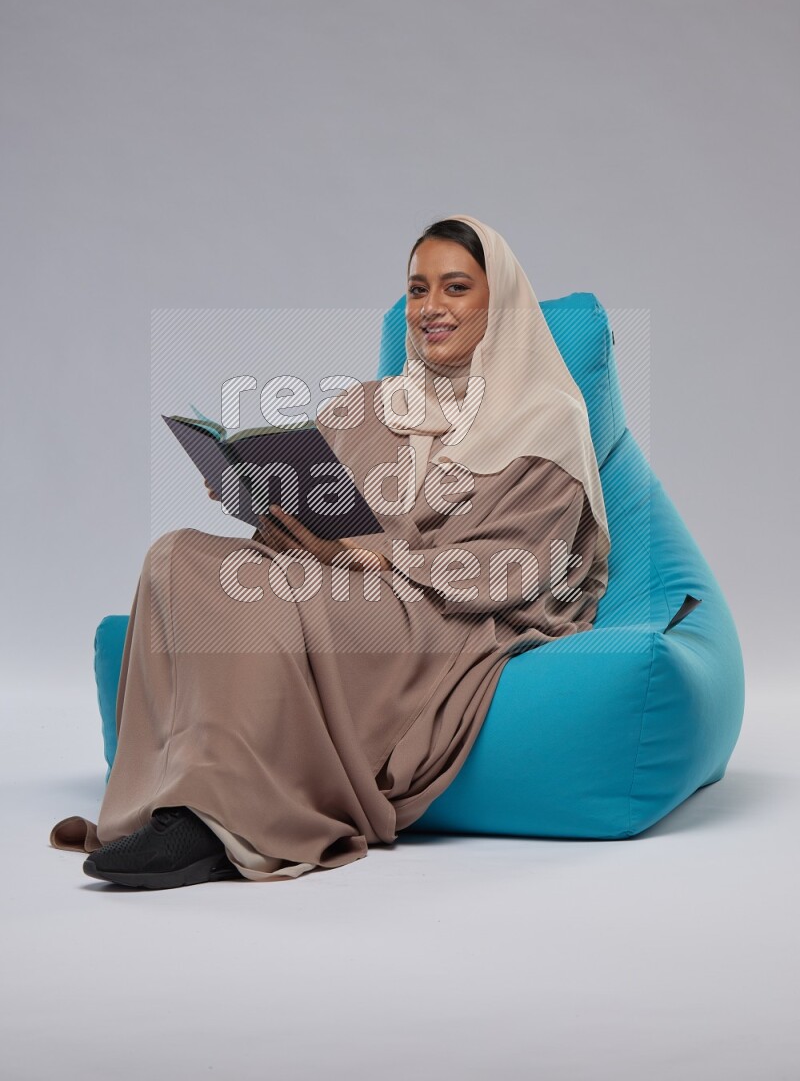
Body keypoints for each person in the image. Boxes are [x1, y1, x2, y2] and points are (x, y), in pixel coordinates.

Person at [49, 214, 611, 888]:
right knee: (176, 557)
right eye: (417, 289)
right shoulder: (367, 406)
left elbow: (524, 561)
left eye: (455, 287)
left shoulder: (547, 416)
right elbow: (314, 523)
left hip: (443, 607)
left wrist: (375, 559)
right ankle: (163, 796)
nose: (430, 308)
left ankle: (218, 821)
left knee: (270, 596)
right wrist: (257, 491)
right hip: (341, 580)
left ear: (501, 302)